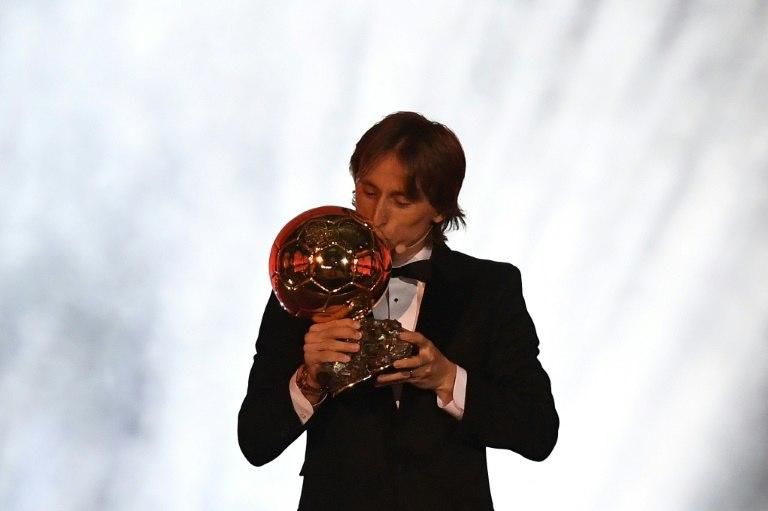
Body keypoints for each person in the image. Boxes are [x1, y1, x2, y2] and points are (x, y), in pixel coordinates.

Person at [238, 111, 559, 510]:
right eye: (368, 192)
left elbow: (538, 430)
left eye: (401, 201)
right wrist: (311, 380)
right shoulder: (305, 284)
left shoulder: (489, 289)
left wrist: (448, 379)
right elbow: (255, 441)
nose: (376, 216)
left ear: (440, 209)